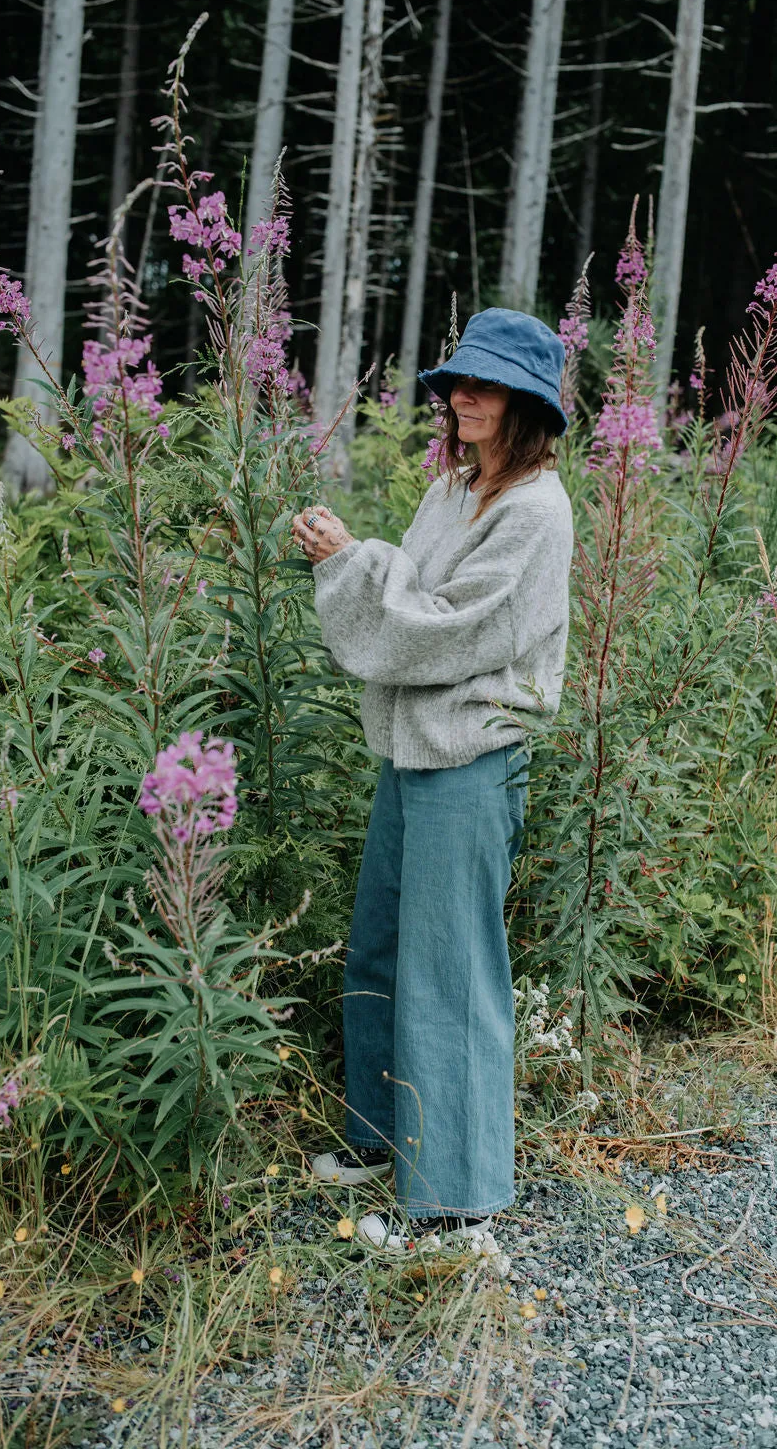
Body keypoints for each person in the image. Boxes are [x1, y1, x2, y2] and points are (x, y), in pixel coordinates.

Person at [292, 307, 574, 1252]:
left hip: (473, 757)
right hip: (414, 750)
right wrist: (366, 562)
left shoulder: (537, 510)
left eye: (484, 386)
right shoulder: (457, 491)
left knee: (450, 975)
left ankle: (454, 1202)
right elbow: (412, 588)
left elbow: (448, 628)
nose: (460, 397)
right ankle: (385, 1139)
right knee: (380, 948)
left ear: (528, 405)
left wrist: (348, 562)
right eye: (457, 382)